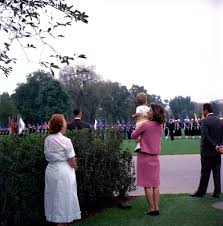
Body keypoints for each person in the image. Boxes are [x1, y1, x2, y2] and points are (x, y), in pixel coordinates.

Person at [44, 114, 81, 226]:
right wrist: (76, 167)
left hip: (51, 170)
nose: (66, 124)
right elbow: (72, 160)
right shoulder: (66, 140)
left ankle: (59, 221)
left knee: (54, 196)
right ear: (60, 125)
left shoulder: (47, 140)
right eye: (65, 122)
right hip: (64, 171)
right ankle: (63, 222)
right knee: (64, 197)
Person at [131, 103, 166, 216]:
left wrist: (138, 119)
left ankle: (151, 209)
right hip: (155, 157)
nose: (148, 112)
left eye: (150, 110)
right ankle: (156, 208)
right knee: (155, 184)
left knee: (147, 184)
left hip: (145, 156)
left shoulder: (146, 125)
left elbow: (133, 135)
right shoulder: (160, 126)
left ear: (154, 113)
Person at [191, 103, 223, 198]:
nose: (202, 112)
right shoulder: (219, 121)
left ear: (206, 110)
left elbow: (206, 137)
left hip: (207, 152)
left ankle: (201, 192)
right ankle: (217, 192)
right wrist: (220, 145)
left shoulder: (205, 121)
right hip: (217, 152)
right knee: (216, 172)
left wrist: (215, 145)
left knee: (205, 172)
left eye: (202, 110)